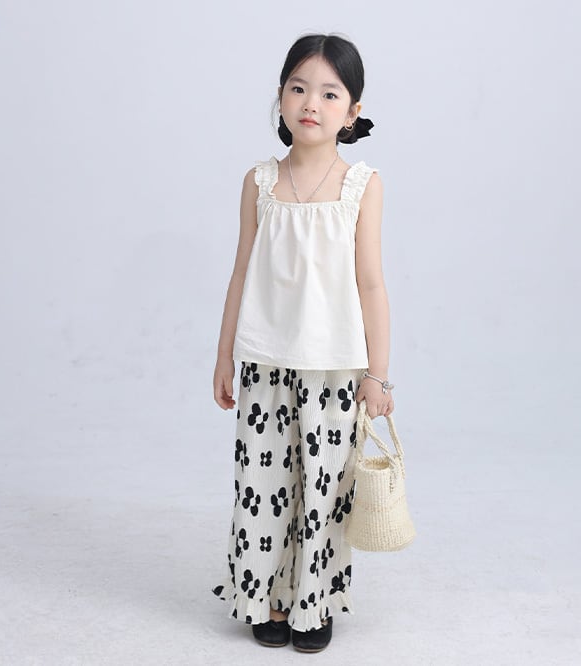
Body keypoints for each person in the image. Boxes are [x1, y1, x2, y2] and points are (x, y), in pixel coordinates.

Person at [211, 33, 394, 654]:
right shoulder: (260, 181)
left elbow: (372, 283)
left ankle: (313, 603)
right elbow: (241, 271)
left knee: (324, 490)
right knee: (263, 487)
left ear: (353, 111)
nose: (311, 102)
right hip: (264, 362)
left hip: (335, 368)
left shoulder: (361, 185)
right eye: (298, 88)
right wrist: (224, 356)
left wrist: (378, 374)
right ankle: (266, 597)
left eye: (329, 93)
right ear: (281, 97)